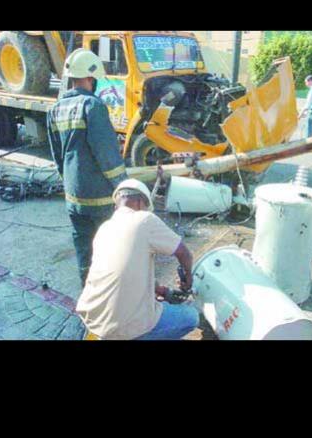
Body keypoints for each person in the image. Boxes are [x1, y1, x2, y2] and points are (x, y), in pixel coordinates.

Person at [75, 179, 199, 340]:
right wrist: (188, 279)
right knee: (191, 316)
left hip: (93, 318)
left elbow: (124, 270)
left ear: (116, 205)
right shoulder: (144, 219)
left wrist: (161, 291)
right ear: (141, 203)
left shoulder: (104, 229)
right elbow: (184, 254)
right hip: (121, 328)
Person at [48, 48, 128, 286]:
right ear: (91, 78)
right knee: (109, 250)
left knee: (84, 248)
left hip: (73, 196)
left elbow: (58, 156)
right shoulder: (93, 106)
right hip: (100, 198)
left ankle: (87, 294)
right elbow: (107, 157)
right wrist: (124, 186)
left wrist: (71, 183)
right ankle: (109, 299)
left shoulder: (54, 110)